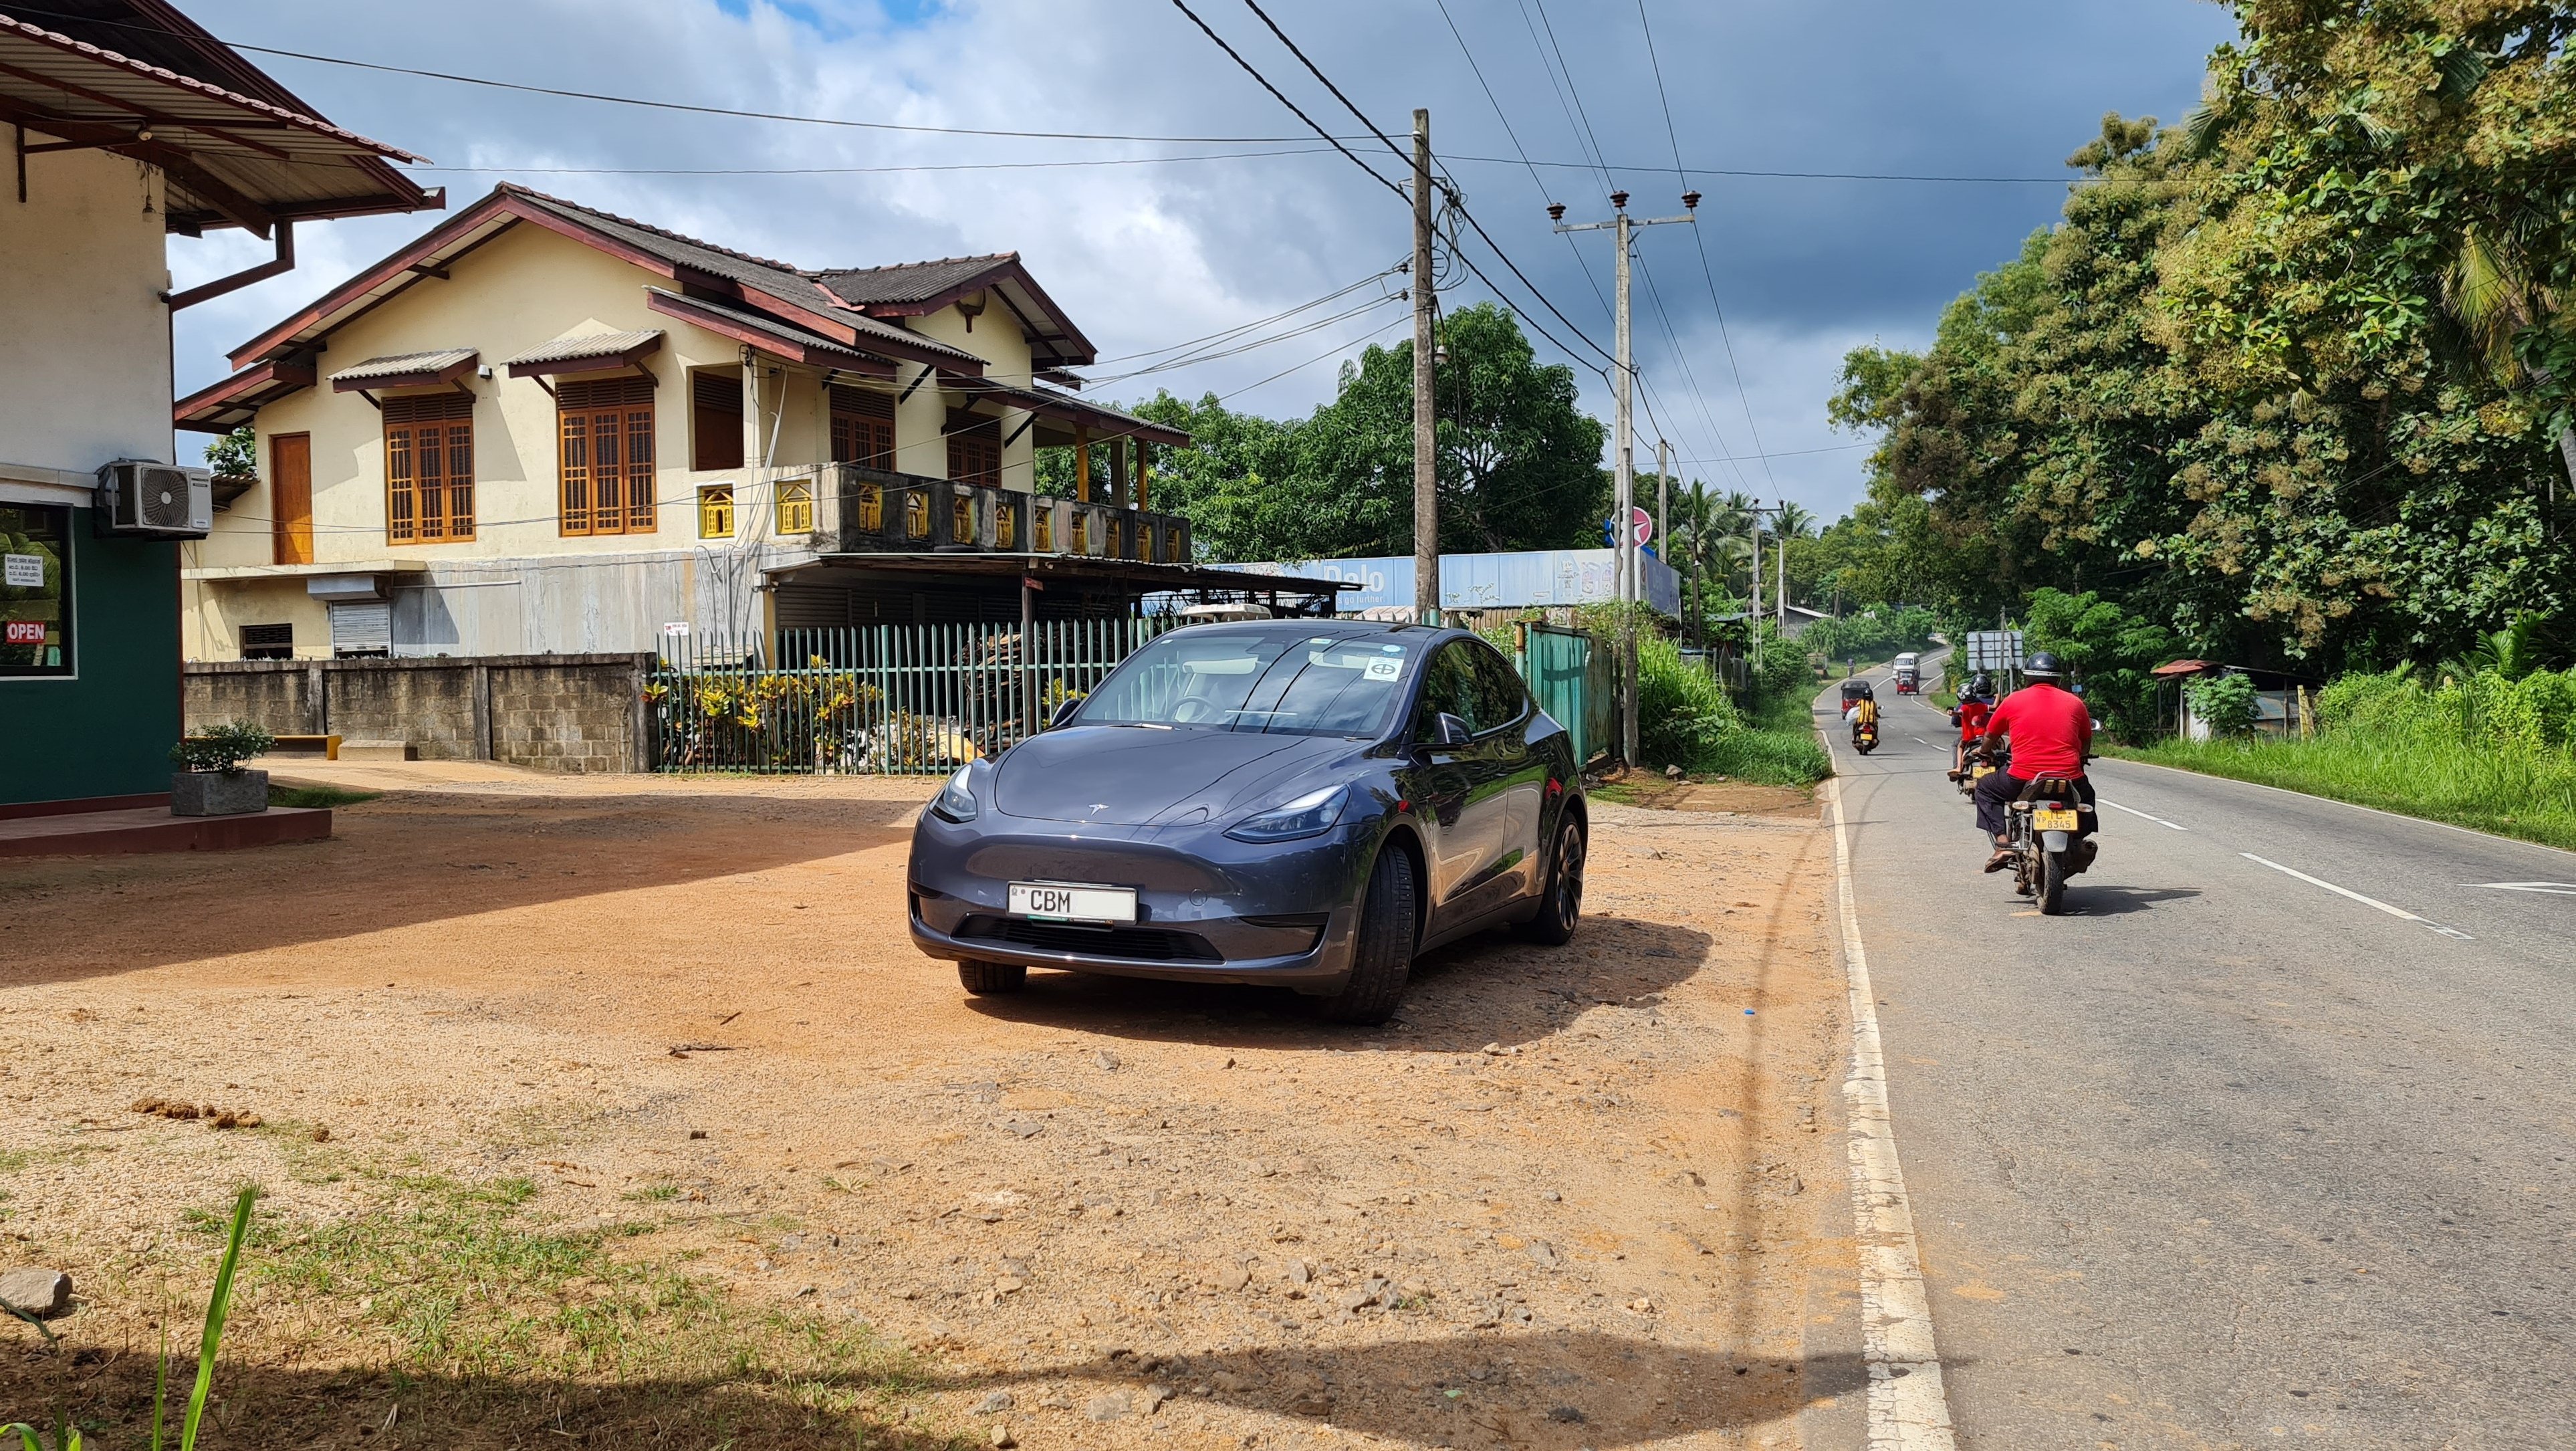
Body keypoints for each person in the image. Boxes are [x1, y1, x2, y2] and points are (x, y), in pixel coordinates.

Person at [1973, 653, 2095, 873]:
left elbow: (1990, 736)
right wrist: (2080, 758)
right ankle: (2077, 842)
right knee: (2087, 797)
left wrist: (1984, 752)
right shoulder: (2075, 703)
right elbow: (2085, 741)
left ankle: (2003, 843)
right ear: (2058, 679)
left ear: (2027, 678)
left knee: (1984, 788)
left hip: (2022, 778)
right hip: (2069, 779)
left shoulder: (2013, 700)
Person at [1948, 673, 1996, 780]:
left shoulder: (1965, 705)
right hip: (1992, 736)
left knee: (1957, 744)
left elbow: (1956, 720)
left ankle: (1958, 768)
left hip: (1970, 737)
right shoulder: (1991, 702)